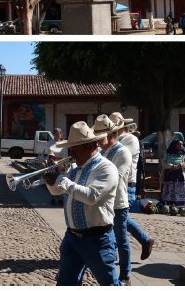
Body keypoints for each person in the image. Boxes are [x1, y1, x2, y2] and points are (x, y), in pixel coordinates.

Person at [42, 121, 121, 286]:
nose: (71, 152)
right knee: (64, 283)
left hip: (97, 239)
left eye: (75, 148)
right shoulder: (75, 169)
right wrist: (51, 180)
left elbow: (91, 196)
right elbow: (59, 192)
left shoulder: (106, 168)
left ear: (90, 146)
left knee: (109, 284)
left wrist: (60, 179)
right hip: (72, 237)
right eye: (70, 148)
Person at [93, 115, 133, 286]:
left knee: (121, 239)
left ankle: (125, 274)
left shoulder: (123, 152)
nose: (98, 142)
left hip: (117, 203)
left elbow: (114, 176)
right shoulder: (103, 151)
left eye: (100, 138)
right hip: (102, 203)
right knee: (106, 239)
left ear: (110, 135)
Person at [109, 112, 154, 261]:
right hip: (114, 183)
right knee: (118, 218)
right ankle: (144, 241)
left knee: (119, 219)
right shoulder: (115, 140)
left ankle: (115, 251)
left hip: (127, 184)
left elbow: (120, 154)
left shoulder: (131, 139)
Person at [159, 139, 185, 208]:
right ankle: (168, 205)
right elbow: (163, 163)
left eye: (182, 144)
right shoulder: (168, 153)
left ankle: (180, 206)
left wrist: (179, 165)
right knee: (169, 190)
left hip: (180, 175)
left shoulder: (184, 153)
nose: (181, 146)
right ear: (174, 145)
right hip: (169, 175)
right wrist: (171, 166)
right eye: (179, 144)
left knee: (180, 190)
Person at [48, 128, 64, 206]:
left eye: (58, 134)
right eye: (55, 134)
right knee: (52, 182)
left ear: (61, 134)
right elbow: (48, 153)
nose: (57, 136)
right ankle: (52, 199)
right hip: (52, 164)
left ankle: (61, 199)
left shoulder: (64, 143)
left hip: (61, 165)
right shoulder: (51, 143)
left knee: (60, 182)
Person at [132, 131, 145, 197]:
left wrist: (142, 164)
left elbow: (142, 154)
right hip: (132, 162)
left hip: (138, 163)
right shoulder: (130, 142)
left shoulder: (140, 142)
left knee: (138, 179)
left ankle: (137, 193)